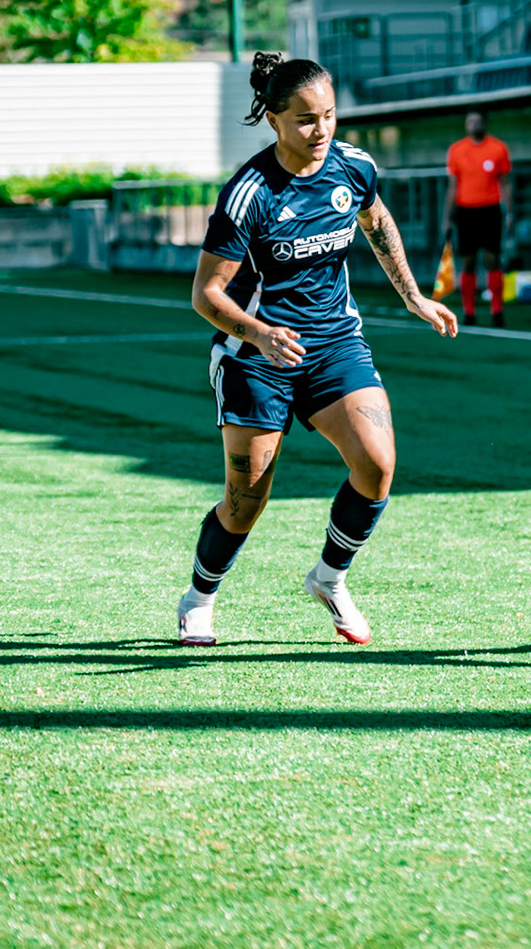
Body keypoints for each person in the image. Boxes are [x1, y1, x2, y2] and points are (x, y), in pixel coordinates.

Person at [176, 53, 459, 648]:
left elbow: (377, 223)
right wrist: (260, 334)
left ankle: (330, 578)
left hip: (334, 344)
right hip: (254, 357)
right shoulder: (247, 194)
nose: (321, 129)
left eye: (329, 114)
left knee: (377, 464)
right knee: (247, 497)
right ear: (274, 120)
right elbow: (206, 294)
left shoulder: (353, 167)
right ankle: (199, 597)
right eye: (305, 119)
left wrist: (413, 297)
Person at [444, 110, 513, 328]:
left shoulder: (498, 148)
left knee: (493, 259)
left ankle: (497, 311)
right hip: (466, 211)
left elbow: (505, 183)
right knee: (468, 262)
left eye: (477, 121)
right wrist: (447, 217)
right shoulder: (457, 150)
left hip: (490, 210)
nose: (473, 124)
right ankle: (469, 311)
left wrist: (509, 212)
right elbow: (452, 186)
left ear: (484, 123)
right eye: (470, 121)